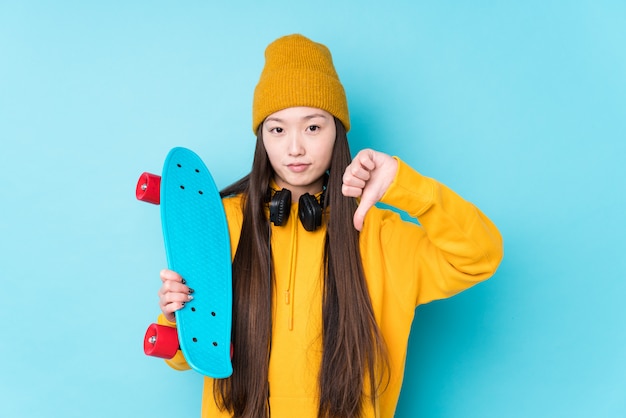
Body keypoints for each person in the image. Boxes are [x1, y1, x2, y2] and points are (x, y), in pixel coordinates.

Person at [155, 34, 503, 418]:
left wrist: (406, 186)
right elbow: (186, 359)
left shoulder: (379, 234)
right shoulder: (224, 221)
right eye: (277, 129)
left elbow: (479, 256)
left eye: (313, 127)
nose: (295, 148)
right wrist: (177, 316)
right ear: (262, 138)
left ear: (338, 130)